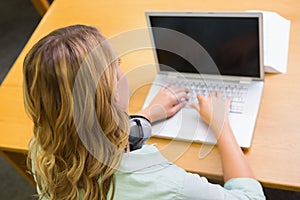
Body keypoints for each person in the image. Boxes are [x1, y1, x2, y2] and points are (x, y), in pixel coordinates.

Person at [23, 24, 265, 200]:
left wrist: (146, 115)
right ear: (113, 93)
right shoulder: (163, 182)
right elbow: (251, 198)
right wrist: (221, 124)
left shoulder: (41, 150)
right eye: (116, 65)